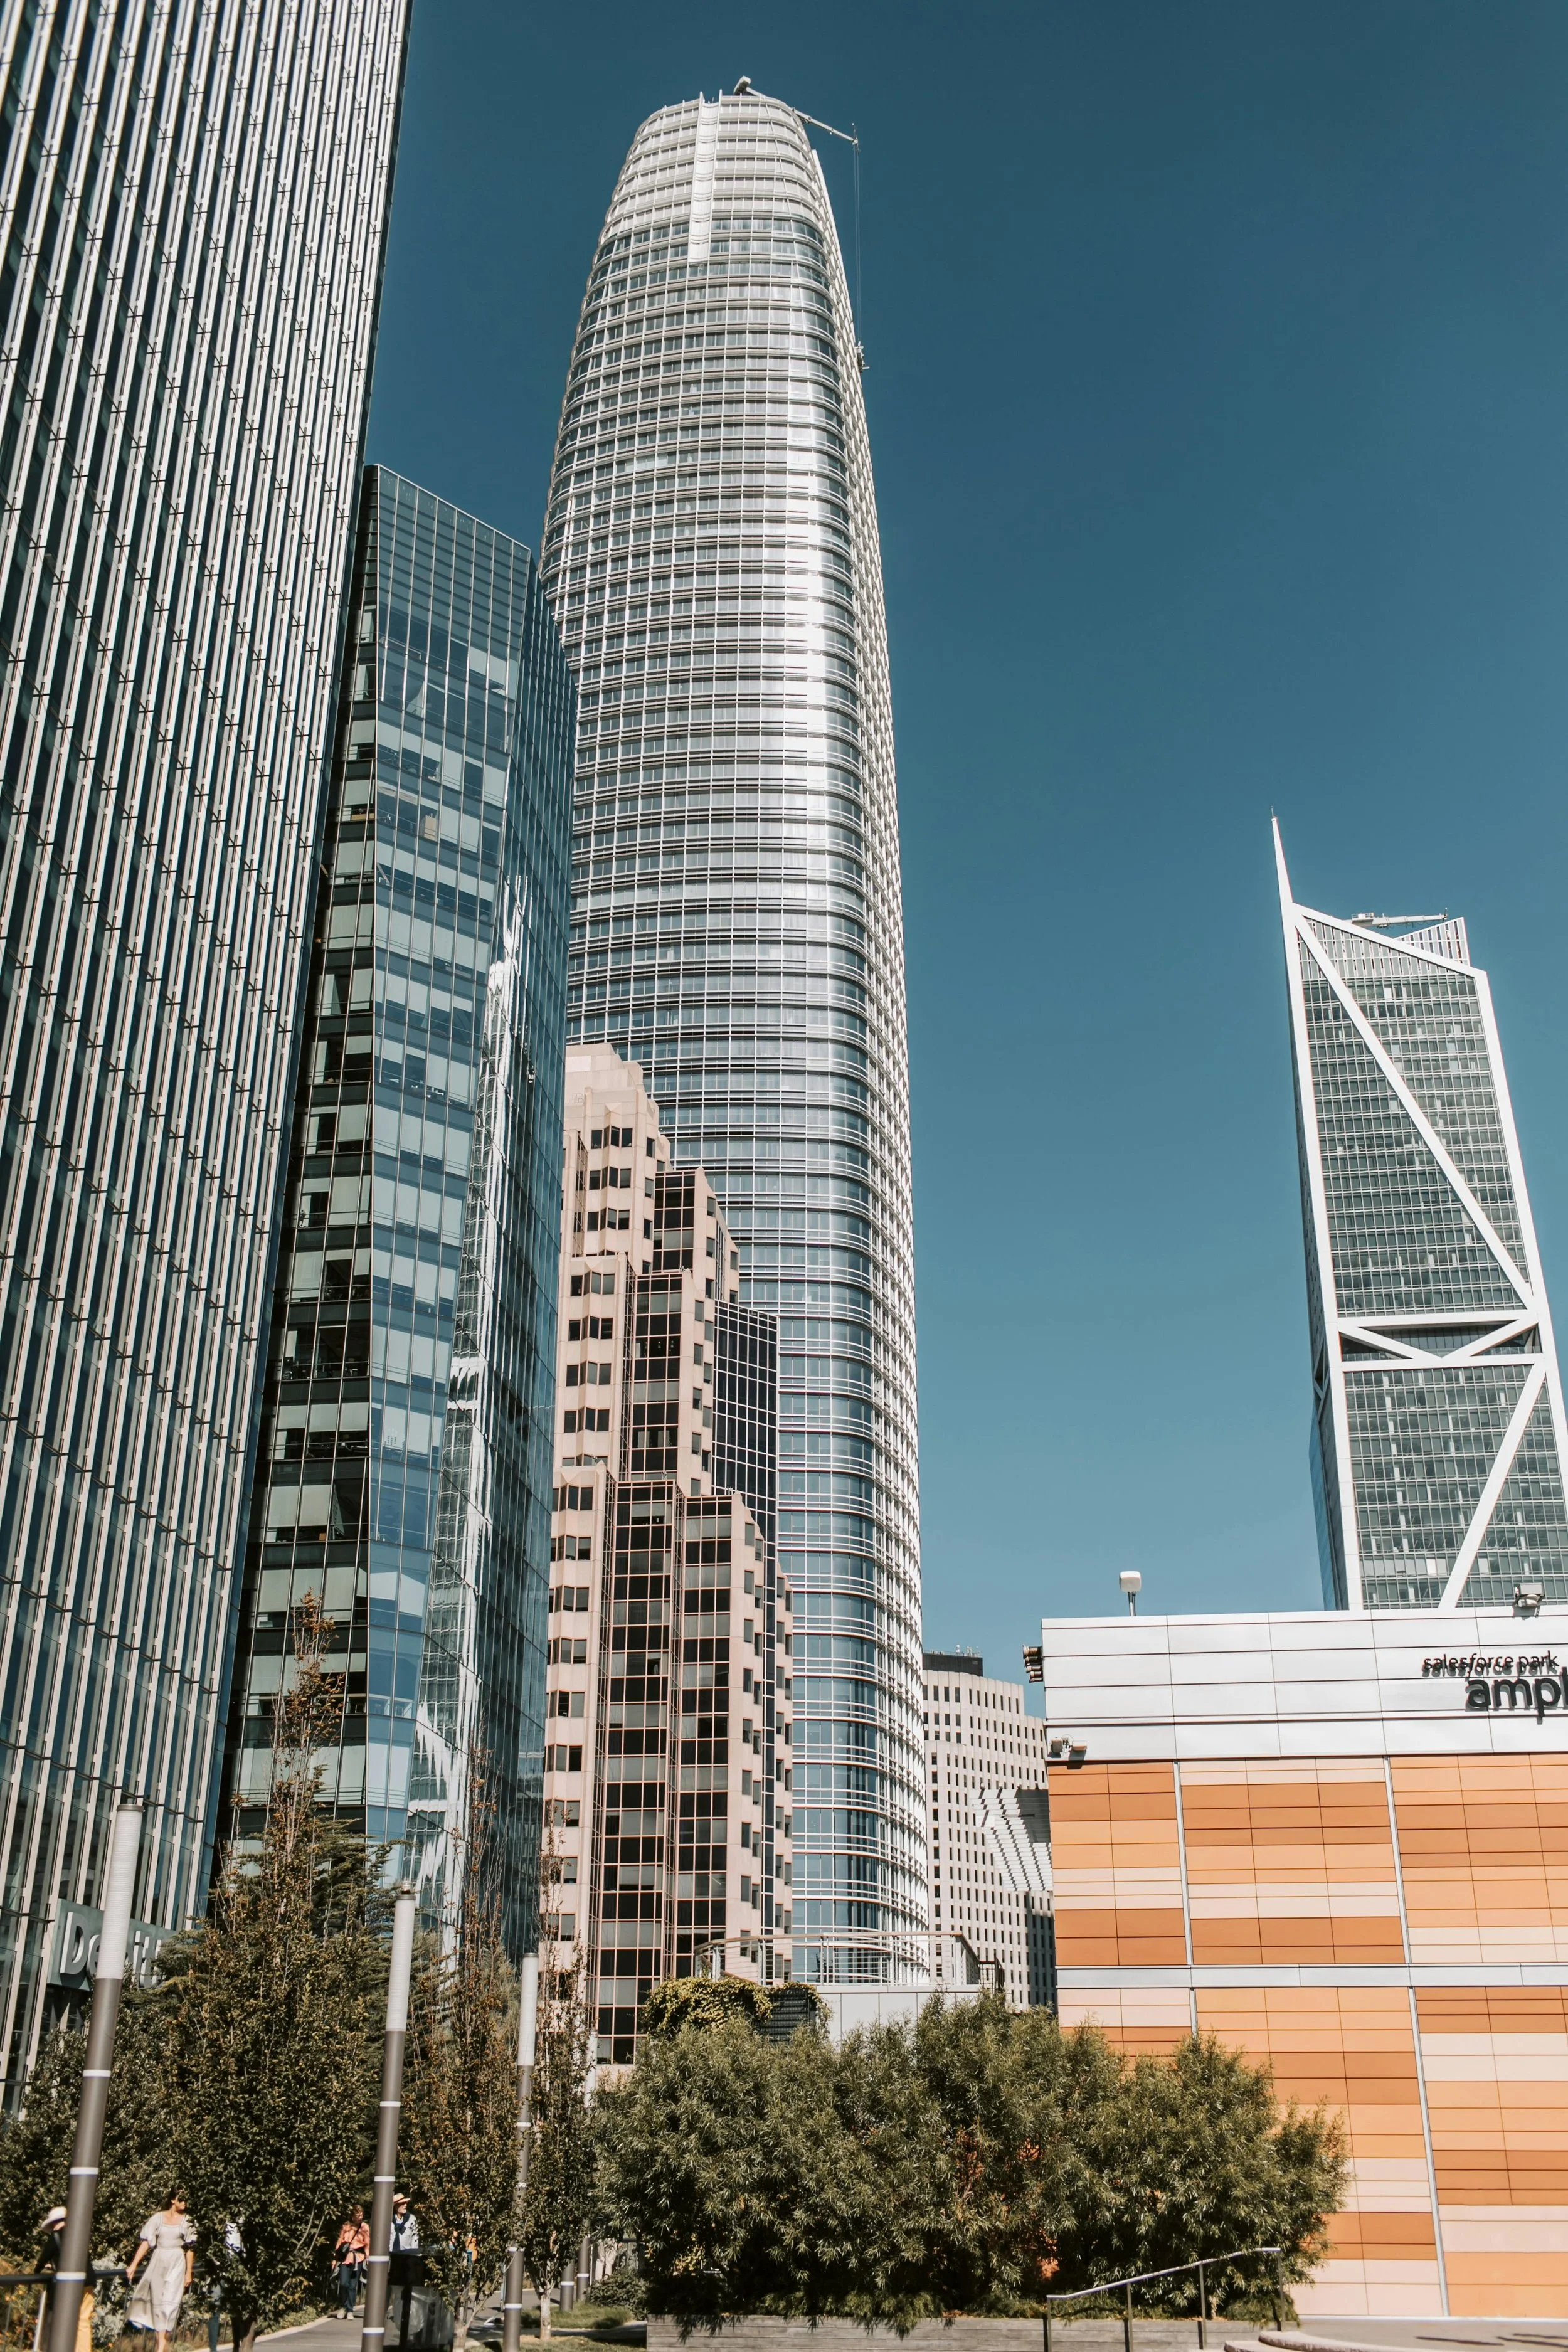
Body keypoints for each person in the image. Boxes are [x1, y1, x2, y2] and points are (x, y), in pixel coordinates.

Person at [125, 2196, 194, 2352]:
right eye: (181, 2199)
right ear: (173, 2200)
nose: (185, 2202)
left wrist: (188, 2272)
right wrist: (133, 2265)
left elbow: (191, 2248)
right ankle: (161, 2346)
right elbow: (146, 2242)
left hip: (177, 2262)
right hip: (159, 2261)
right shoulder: (158, 2218)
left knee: (170, 2305)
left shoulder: (188, 2221)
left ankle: (161, 2346)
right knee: (158, 2305)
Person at [388, 2196, 421, 2348]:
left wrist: (416, 2258)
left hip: (407, 2258)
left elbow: (415, 2240)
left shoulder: (412, 2219)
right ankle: (397, 2313)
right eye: (402, 2204)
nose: (405, 2206)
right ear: (395, 2206)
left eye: (406, 2203)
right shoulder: (389, 2220)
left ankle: (405, 2317)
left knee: (405, 2290)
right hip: (392, 2257)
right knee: (395, 2290)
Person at [333, 2208, 369, 2316]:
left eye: (361, 2215)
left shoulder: (365, 2227)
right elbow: (340, 2240)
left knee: (353, 2285)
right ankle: (343, 2306)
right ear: (353, 2216)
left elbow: (367, 2243)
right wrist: (335, 2258)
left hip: (358, 2257)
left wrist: (368, 2257)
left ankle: (350, 2310)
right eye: (358, 2215)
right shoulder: (347, 2226)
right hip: (346, 2257)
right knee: (344, 2283)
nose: (360, 2217)